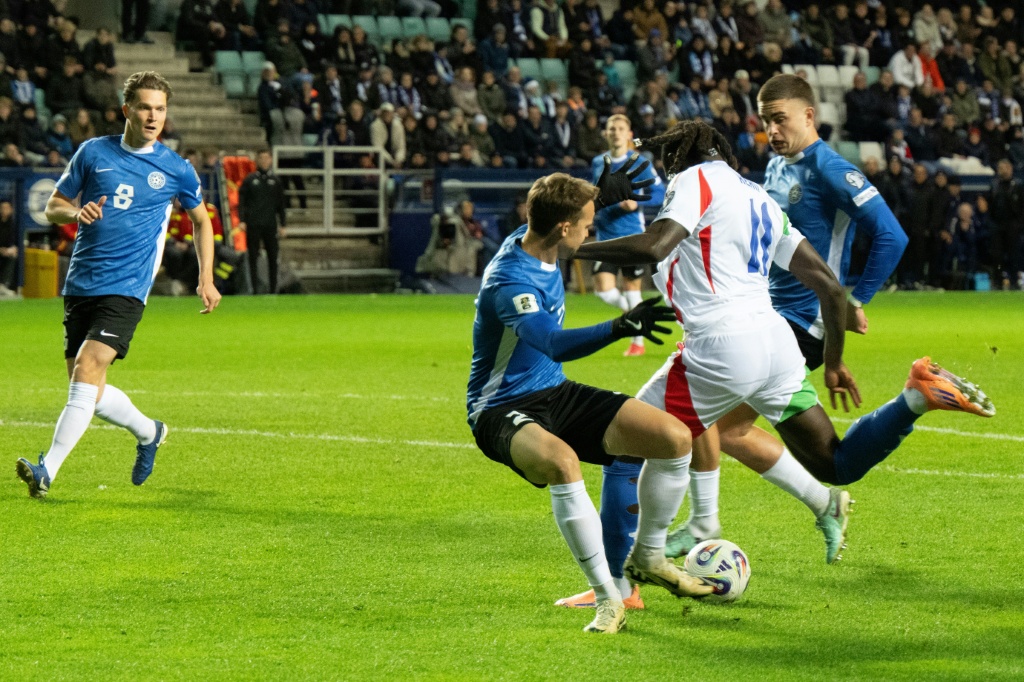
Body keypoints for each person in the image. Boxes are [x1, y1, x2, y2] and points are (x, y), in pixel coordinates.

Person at [570, 120, 994, 589]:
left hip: (721, 346)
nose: (668, 170)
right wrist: (832, 362)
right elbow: (831, 289)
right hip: (776, 347)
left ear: (689, 156)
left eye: (670, 159)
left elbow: (654, 245)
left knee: (630, 441)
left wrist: (572, 247)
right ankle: (915, 397)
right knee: (836, 463)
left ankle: (632, 569)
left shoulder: (696, 179)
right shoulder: (758, 198)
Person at [467, 163, 712, 635]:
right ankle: (608, 597)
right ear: (563, 228)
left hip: (555, 391)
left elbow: (556, 210)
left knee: (673, 437)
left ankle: (650, 557)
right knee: (563, 463)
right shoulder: (510, 282)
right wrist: (619, 326)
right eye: (586, 224)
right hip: (497, 409)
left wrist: (597, 194)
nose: (590, 230)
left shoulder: (536, 235)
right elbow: (553, 343)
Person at [15, 71, 222, 499]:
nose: (153, 116)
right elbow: (53, 205)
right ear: (126, 109)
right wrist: (76, 214)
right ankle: (150, 431)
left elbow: (202, 221)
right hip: (82, 282)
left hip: (127, 287)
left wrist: (206, 277)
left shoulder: (175, 168)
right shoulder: (93, 152)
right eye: (145, 107)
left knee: (88, 371)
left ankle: (46, 469)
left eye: (160, 109)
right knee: (85, 385)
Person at [589, 114, 665, 358]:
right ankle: (637, 316)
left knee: (632, 289)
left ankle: (637, 343)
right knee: (604, 290)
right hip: (605, 235)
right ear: (606, 133)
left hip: (631, 234)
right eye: (612, 128)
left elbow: (660, 191)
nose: (616, 132)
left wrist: (636, 203)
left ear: (629, 134)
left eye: (621, 128)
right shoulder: (598, 162)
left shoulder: (639, 161)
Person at [238, 149, 286, 294]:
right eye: (262, 158)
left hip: (270, 224)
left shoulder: (276, 181)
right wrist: (242, 220)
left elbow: (281, 204)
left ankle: (273, 289)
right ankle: (254, 289)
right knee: (253, 257)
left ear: (271, 160)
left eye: (267, 158)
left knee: (273, 257)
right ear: (257, 160)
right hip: (253, 224)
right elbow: (241, 201)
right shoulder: (250, 180)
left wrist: (283, 224)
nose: (264, 161)